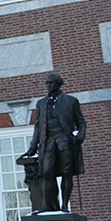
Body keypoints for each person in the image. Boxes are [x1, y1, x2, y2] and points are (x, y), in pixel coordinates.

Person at [23, 72, 87, 213]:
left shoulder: (71, 101)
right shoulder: (41, 103)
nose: (48, 85)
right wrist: (32, 147)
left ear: (58, 84)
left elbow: (81, 122)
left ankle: (65, 205)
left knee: (66, 173)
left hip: (65, 141)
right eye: (47, 83)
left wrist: (80, 136)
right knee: (46, 172)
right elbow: (38, 126)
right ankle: (47, 204)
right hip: (48, 142)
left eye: (51, 83)